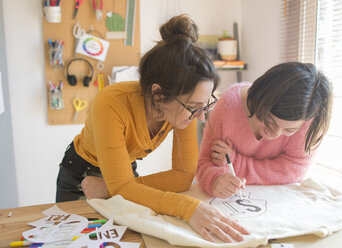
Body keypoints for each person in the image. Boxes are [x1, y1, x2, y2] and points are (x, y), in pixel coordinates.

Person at [56, 14, 249, 243]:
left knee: (128, 240)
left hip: (123, 172)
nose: (201, 114)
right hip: (82, 172)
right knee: (71, 242)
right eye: (195, 107)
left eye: (206, 104)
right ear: (158, 94)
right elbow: (124, 185)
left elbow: (183, 177)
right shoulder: (110, 104)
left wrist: (114, 188)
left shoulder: (185, 109)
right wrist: (188, 207)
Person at [196, 62, 333, 199]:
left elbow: (294, 171)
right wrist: (214, 180)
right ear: (258, 99)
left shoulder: (308, 117)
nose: (274, 134)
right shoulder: (228, 105)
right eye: (269, 121)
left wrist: (236, 162)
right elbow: (204, 163)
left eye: (289, 130)